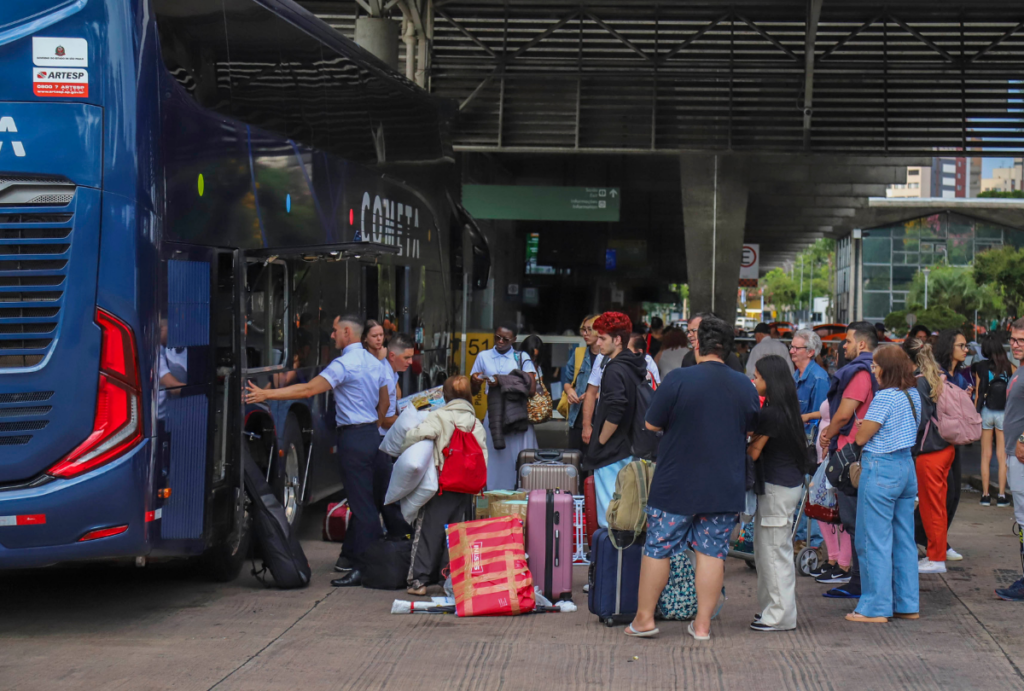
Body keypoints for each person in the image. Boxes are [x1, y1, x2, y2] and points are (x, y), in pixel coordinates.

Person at [245, 315, 407, 586]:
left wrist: (266, 395)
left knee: (362, 507)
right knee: (378, 500)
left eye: (334, 331)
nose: (332, 336)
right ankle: (371, 558)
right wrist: (373, 424)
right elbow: (386, 402)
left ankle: (363, 568)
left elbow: (308, 390)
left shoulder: (343, 364)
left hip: (353, 439)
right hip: (374, 437)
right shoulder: (376, 363)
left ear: (347, 332)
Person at [626, 316, 759, 641]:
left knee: (658, 548)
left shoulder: (678, 379)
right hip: (724, 484)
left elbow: (652, 425)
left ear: (697, 343)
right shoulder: (744, 384)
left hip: (676, 482)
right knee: (712, 552)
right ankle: (702, 626)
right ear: (728, 347)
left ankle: (644, 620)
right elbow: (752, 428)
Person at [846, 345, 922, 623]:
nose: (872, 369)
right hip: (906, 468)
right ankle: (907, 603)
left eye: (876, 365)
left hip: (880, 468)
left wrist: (861, 425)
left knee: (872, 540)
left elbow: (862, 437)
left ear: (887, 368)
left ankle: (875, 607)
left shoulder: (885, 397)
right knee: (904, 540)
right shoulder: (912, 394)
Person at [400, 375, 487, 596]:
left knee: (428, 532)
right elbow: (483, 458)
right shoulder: (476, 423)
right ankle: (448, 580)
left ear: (445, 396)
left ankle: (418, 582)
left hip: (440, 486)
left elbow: (413, 437)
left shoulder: (438, 416)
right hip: (465, 489)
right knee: (456, 534)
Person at [747, 355, 808, 632]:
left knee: (772, 553)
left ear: (769, 380)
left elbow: (754, 452)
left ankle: (780, 615)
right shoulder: (785, 408)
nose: (754, 381)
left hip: (776, 488)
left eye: (757, 377)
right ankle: (771, 609)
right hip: (785, 485)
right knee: (767, 551)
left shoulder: (771, 413)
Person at [818, 321, 879, 599]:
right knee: (861, 524)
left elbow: (843, 415)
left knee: (856, 523)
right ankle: (861, 581)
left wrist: (827, 436)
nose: (844, 346)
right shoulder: (877, 370)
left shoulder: (859, 373)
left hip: (852, 457)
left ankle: (859, 583)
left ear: (862, 344)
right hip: (867, 455)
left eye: (848, 341)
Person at [585, 312, 649, 528]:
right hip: (630, 446)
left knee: (610, 518)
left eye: (602, 338)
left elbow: (616, 410)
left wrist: (600, 441)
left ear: (618, 339)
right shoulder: (634, 365)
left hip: (611, 452)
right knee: (628, 514)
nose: (598, 342)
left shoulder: (614, 368)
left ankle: (613, 561)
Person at [903, 338, 955, 575]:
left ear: (908, 358)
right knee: (938, 506)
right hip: (945, 446)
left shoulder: (918, 381)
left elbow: (920, 420)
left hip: (929, 451)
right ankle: (938, 553)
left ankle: (936, 558)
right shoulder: (937, 374)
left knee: (930, 507)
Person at [470, 323, 538, 490]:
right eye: (497, 337)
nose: (500, 341)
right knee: (493, 460)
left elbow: (531, 388)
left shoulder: (521, 357)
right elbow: (473, 390)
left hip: (516, 415)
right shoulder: (483, 356)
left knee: (518, 459)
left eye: (505, 339)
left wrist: (501, 381)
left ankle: (520, 497)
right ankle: (493, 496)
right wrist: (474, 381)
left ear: (514, 339)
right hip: (494, 415)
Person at [931, 328, 972, 562]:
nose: (966, 350)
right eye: (962, 346)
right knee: (944, 495)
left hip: (954, 440)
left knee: (953, 494)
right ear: (950, 348)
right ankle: (936, 542)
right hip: (937, 442)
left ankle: (939, 540)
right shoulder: (938, 373)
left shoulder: (960, 374)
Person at [789, 329, 829, 554]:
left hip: (810, 447)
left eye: (797, 347)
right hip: (798, 443)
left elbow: (822, 415)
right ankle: (801, 537)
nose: (792, 351)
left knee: (809, 492)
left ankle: (809, 541)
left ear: (811, 352)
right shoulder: (796, 375)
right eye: (792, 346)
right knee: (800, 493)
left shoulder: (819, 378)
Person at [808, 399, 854, 585]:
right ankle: (833, 558)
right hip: (825, 459)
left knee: (843, 513)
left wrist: (830, 439)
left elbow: (844, 419)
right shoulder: (837, 388)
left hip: (839, 457)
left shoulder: (853, 389)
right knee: (823, 510)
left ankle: (843, 564)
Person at [995, 318, 1024, 600]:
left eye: (1021, 340)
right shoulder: (1018, 370)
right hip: (1014, 455)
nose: (1015, 344)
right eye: (1013, 339)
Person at [973, 333, 1016, 506]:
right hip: (1003, 413)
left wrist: (976, 413)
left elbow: (977, 393)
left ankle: (984, 495)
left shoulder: (980, 367)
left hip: (986, 412)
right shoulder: (1009, 367)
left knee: (985, 454)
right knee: (1001, 455)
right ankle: (1001, 496)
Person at [561, 315, 600, 454]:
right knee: (575, 462)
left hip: (600, 418)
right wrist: (569, 391)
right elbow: (567, 380)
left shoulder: (610, 357)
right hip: (577, 417)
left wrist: (595, 395)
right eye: (583, 330)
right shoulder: (579, 353)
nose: (585, 333)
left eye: (590, 329)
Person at [378, 333, 416, 436]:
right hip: (380, 438)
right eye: (406, 357)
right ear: (392, 356)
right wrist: (415, 421)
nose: (411, 362)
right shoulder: (387, 378)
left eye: (411, 357)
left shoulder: (392, 373)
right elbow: (385, 420)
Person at [680, 313, 744, 372]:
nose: (689, 335)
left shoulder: (730, 358)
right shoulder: (688, 358)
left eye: (693, 330)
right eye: (688, 331)